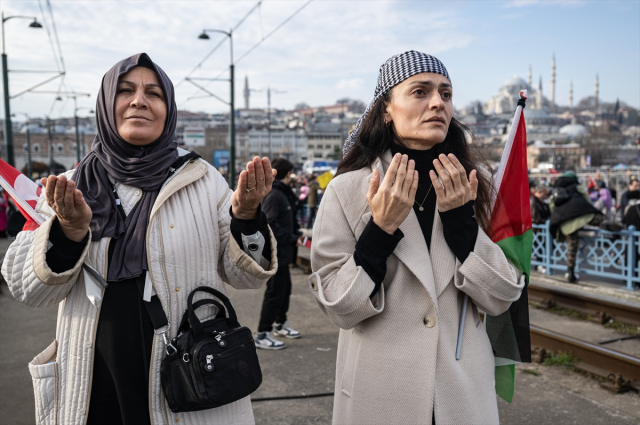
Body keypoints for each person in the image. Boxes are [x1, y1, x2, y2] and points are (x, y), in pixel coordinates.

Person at [2, 53, 278, 425]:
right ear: (105, 104)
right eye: (126, 90)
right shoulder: (66, 187)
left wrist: (245, 216)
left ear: (168, 109)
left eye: (154, 93)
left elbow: (245, 275)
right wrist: (68, 232)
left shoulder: (204, 179)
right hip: (94, 377)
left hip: (187, 373)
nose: (139, 101)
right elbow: (28, 290)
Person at [308, 51, 524, 424]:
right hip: (380, 392)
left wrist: (461, 223)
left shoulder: (479, 185)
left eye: (446, 93)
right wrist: (380, 231)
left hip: (461, 393)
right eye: (420, 92)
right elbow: (338, 307)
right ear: (386, 109)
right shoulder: (347, 189)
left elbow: (503, 296)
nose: (438, 102)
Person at [256, 158, 303, 349]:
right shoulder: (275, 195)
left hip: (284, 253)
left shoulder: (282, 193)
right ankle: (262, 333)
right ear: (288, 173)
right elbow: (271, 223)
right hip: (276, 253)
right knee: (275, 293)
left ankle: (280, 324)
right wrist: (292, 237)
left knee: (285, 291)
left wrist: (295, 234)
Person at [549, 171, 602, 283]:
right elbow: (586, 202)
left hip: (564, 221)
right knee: (598, 219)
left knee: (571, 247)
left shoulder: (557, 187)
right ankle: (610, 226)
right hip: (578, 217)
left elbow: (552, 205)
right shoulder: (577, 186)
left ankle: (570, 273)